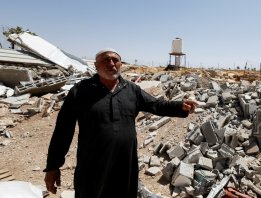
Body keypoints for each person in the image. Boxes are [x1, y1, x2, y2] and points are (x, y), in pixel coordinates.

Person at [43, 48, 197, 198]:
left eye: (115, 60)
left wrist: (179, 106)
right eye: (105, 60)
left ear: (121, 64)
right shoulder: (80, 91)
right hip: (92, 164)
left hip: (125, 163)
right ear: (96, 66)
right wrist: (53, 166)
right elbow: (63, 130)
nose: (111, 63)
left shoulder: (131, 90)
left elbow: (156, 105)